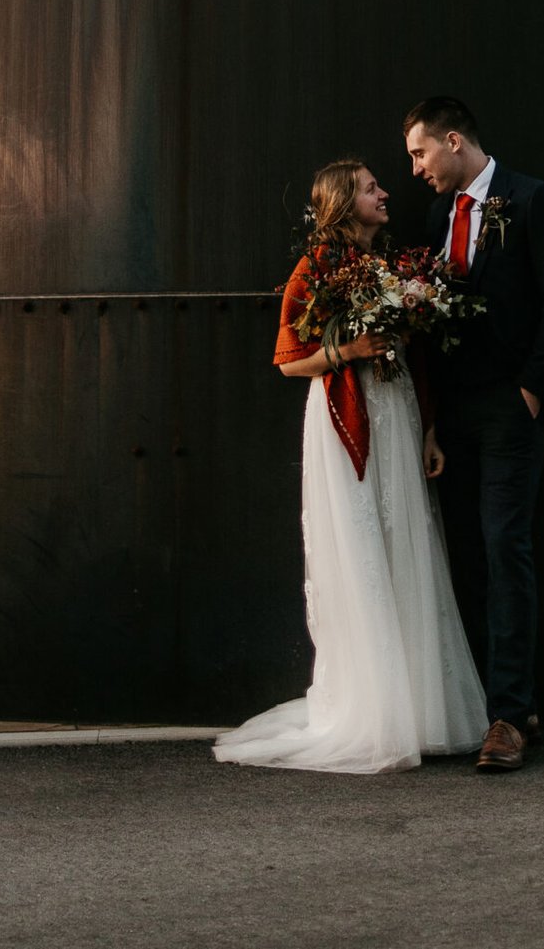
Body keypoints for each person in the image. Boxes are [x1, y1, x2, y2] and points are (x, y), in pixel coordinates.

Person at [212, 159, 487, 775]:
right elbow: (288, 359)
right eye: (370, 188)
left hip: (400, 416)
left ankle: (420, 710)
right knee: (363, 549)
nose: (385, 192)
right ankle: (371, 712)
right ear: (343, 203)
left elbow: (417, 360)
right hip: (346, 423)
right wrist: (348, 349)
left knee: (408, 547)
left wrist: (431, 428)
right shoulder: (314, 268)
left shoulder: (392, 267)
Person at [405, 95, 544, 775]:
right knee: (471, 560)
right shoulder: (436, 215)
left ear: (454, 140)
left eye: (421, 153)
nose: (416, 168)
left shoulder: (534, 201)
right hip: (455, 415)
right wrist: (432, 419)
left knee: (506, 546)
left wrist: (531, 392)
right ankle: (500, 702)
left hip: (512, 410)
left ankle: (508, 717)